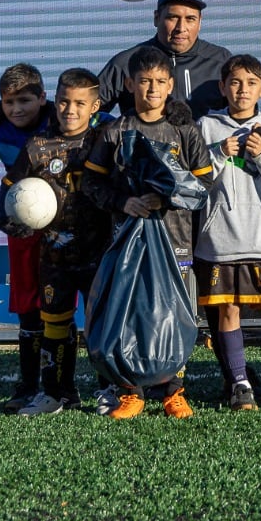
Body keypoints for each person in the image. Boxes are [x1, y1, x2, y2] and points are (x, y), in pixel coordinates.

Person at [82, 46, 215, 419]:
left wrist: (166, 197)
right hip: (127, 241)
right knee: (132, 315)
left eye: (159, 82)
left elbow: (204, 188)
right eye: (144, 82)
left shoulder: (184, 131)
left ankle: (174, 390)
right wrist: (123, 203)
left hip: (176, 240)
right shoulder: (114, 131)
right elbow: (91, 184)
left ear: (170, 85)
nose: (152, 89)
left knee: (177, 315)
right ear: (129, 84)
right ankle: (132, 391)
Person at [0, 68, 111, 416]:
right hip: (54, 257)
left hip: (100, 255)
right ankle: (56, 393)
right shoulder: (37, 147)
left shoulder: (107, 138)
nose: (70, 110)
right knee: (55, 326)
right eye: (64, 101)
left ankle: (111, 388)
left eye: (80, 103)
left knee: (102, 325)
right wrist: (11, 222)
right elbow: (9, 192)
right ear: (55, 102)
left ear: (95, 107)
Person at [195, 55, 261, 410]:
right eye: (236, 82)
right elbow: (192, 183)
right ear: (223, 87)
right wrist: (217, 154)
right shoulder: (207, 127)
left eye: (251, 83)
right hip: (218, 242)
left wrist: (260, 158)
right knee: (228, 313)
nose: (243, 90)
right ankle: (240, 384)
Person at [0, 63, 52, 412]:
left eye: (25, 100)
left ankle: (67, 385)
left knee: (59, 308)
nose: (17, 109)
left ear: (43, 98)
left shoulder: (59, 120)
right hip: (23, 226)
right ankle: (27, 384)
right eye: (9, 102)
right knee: (28, 308)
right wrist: (3, 214)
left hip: (65, 230)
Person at [98, 0, 232, 117]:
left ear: (200, 22)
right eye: (173, 17)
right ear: (157, 18)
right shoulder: (126, 63)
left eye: (190, 19)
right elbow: (88, 111)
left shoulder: (221, 61)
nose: (181, 28)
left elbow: (243, 118)